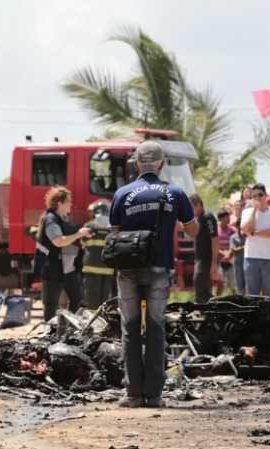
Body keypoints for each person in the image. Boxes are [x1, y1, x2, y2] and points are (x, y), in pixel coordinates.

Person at [109, 141, 198, 408]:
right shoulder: (174, 193)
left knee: (130, 329)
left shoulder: (122, 194)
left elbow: (114, 234)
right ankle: (155, 395)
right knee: (156, 328)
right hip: (159, 268)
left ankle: (134, 394)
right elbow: (192, 231)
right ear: (162, 165)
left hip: (127, 271)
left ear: (136, 165)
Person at [36, 186, 92, 321]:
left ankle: (67, 326)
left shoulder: (63, 219)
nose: (71, 204)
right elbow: (58, 242)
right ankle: (49, 331)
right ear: (60, 203)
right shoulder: (51, 220)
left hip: (68, 268)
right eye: (68, 201)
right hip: (54, 267)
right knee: (51, 303)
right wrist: (79, 234)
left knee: (76, 298)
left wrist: (81, 236)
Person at [240, 183, 270, 297]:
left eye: (260, 194)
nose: (257, 198)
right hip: (251, 258)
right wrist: (254, 210)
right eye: (254, 196)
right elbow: (244, 230)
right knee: (251, 295)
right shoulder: (247, 212)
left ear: (266, 195)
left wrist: (253, 233)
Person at [82, 200, 114, 309]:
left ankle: (93, 323)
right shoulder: (112, 229)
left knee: (92, 299)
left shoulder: (89, 226)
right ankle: (104, 322)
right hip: (108, 269)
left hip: (91, 268)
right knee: (105, 299)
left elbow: (82, 243)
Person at [188, 194, 218, 303]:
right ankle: (208, 315)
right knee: (202, 290)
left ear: (199, 205)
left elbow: (215, 240)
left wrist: (214, 264)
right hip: (200, 260)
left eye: (191, 208)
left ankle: (214, 311)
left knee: (201, 291)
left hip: (206, 260)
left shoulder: (207, 217)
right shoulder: (199, 219)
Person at [216, 209, 236, 295]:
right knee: (220, 284)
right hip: (220, 261)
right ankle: (216, 302)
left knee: (234, 285)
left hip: (231, 261)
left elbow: (236, 243)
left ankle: (237, 303)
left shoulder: (233, 230)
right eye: (226, 217)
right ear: (221, 218)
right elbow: (213, 245)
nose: (228, 219)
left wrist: (229, 253)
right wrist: (223, 253)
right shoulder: (216, 230)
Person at [229, 219, 246, 295]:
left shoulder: (248, 236)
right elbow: (233, 250)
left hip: (247, 262)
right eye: (238, 225)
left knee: (247, 283)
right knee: (238, 283)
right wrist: (245, 247)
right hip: (238, 263)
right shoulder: (233, 237)